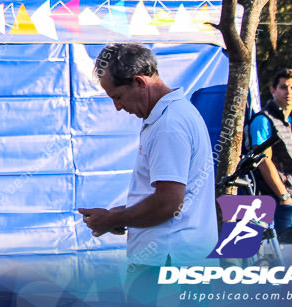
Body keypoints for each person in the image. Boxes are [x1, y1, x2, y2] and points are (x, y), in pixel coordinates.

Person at [78, 44, 216, 279]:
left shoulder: (169, 125)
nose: (118, 107)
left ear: (140, 82)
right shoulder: (173, 114)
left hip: (166, 262)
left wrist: (113, 218)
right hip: (177, 259)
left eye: (118, 97)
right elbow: (167, 198)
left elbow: (168, 203)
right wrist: (117, 216)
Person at [250, 68, 292, 232]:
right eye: (283, 87)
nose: (288, 92)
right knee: (282, 251)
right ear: (273, 90)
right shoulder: (263, 120)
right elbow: (263, 161)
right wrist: (283, 196)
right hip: (281, 201)